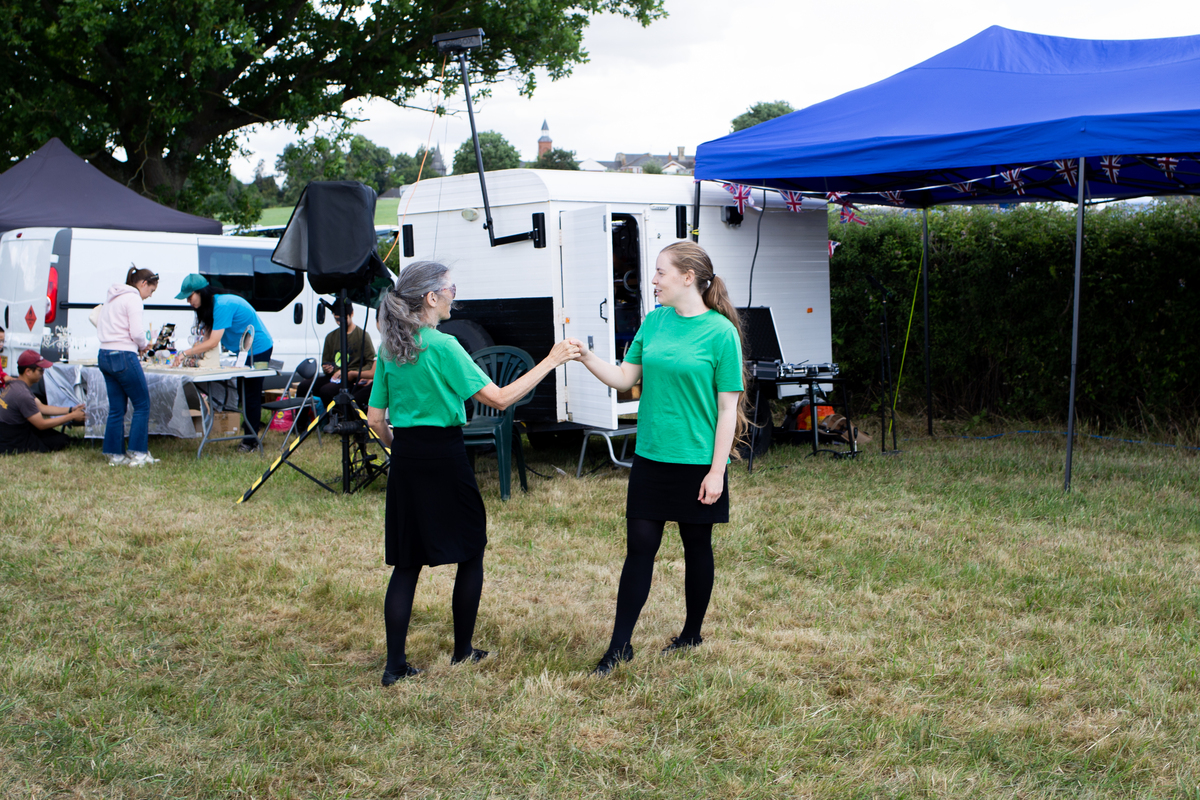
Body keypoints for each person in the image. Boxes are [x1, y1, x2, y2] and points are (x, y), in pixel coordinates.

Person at [366, 261, 580, 685]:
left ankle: (395, 667)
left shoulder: (390, 347)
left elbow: (375, 419)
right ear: (431, 297)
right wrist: (551, 360)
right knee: (471, 550)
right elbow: (499, 399)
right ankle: (462, 651)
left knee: (406, 564)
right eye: (450, 289)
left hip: (407, 456)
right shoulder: (443, 346)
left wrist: (399, 450)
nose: (454, 296)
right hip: (445, 455)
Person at [572, 241, 748, 676]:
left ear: (688, 277)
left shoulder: (721, 333)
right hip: (651, 456)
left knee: (697, 547)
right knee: (639, 549)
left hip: (697, 461)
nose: (652, 281)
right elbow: (623, 379)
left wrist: (717, 471)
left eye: (660, 272)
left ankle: (691, 634)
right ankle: (619, 647)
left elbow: (728, 409)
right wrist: (585, 356)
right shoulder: (653, 322)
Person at [173, 274, 275, 452]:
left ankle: (251, 442)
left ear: (201, 292)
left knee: (250, 395)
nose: (189, 302)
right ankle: (249, 434)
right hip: (243, 351)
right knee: (244, 394)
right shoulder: (211, 305)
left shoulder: (222, 305)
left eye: (190, 297)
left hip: (258, 348)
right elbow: (206, 338)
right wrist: (195, 356)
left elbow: (213, 342)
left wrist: (185, 353)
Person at [96, 266, 160, 466]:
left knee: (116, 408)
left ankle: (115, 455)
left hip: (104, 354)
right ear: (143, 283)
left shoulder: (112, 298)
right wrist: (143, 345)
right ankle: (138, 453)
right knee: (142, 404)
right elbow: (137, 332)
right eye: (151, 290)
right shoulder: (133, 298)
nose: (150, 295)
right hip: (124, 354)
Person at [0, 350, 85, 454]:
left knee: (57, 436)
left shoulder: (16, 384)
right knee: (60, 441)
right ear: (28, 371)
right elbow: (41, 424)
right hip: (11, 439)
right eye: (40, 370)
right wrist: (72, 416)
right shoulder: (22, 394)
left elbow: (41, 407)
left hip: (10, 431)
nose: (43, 373)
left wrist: (71, 409)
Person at [300, 299, 376, 414]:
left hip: (352, 378)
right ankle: (300, 422)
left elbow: (370, 363)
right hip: (333, 377)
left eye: (342, 319)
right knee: (304, 386)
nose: (340, 322)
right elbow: (326, 361)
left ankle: (336, 419)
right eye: (336, 319)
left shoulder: (362, 336)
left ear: (351, 314)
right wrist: (327, 368)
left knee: (326, 391)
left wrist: (350, 372)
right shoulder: (331, 336)